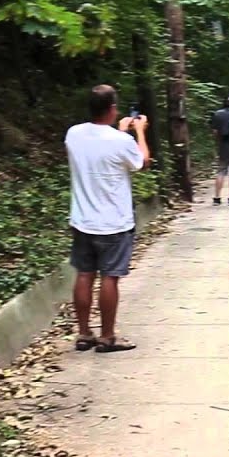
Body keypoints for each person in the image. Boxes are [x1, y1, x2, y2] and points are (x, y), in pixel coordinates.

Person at [65, 84, 150, 353]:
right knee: (110, 277)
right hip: (114, 223)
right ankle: (107, 336)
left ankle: (83, 333)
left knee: (84, 274)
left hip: (82, 220)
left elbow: (101, 151)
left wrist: (121, 132)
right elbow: (142, 161)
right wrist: (138, 132)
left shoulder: (73, 134)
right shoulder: (122, 141)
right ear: (113, 109)